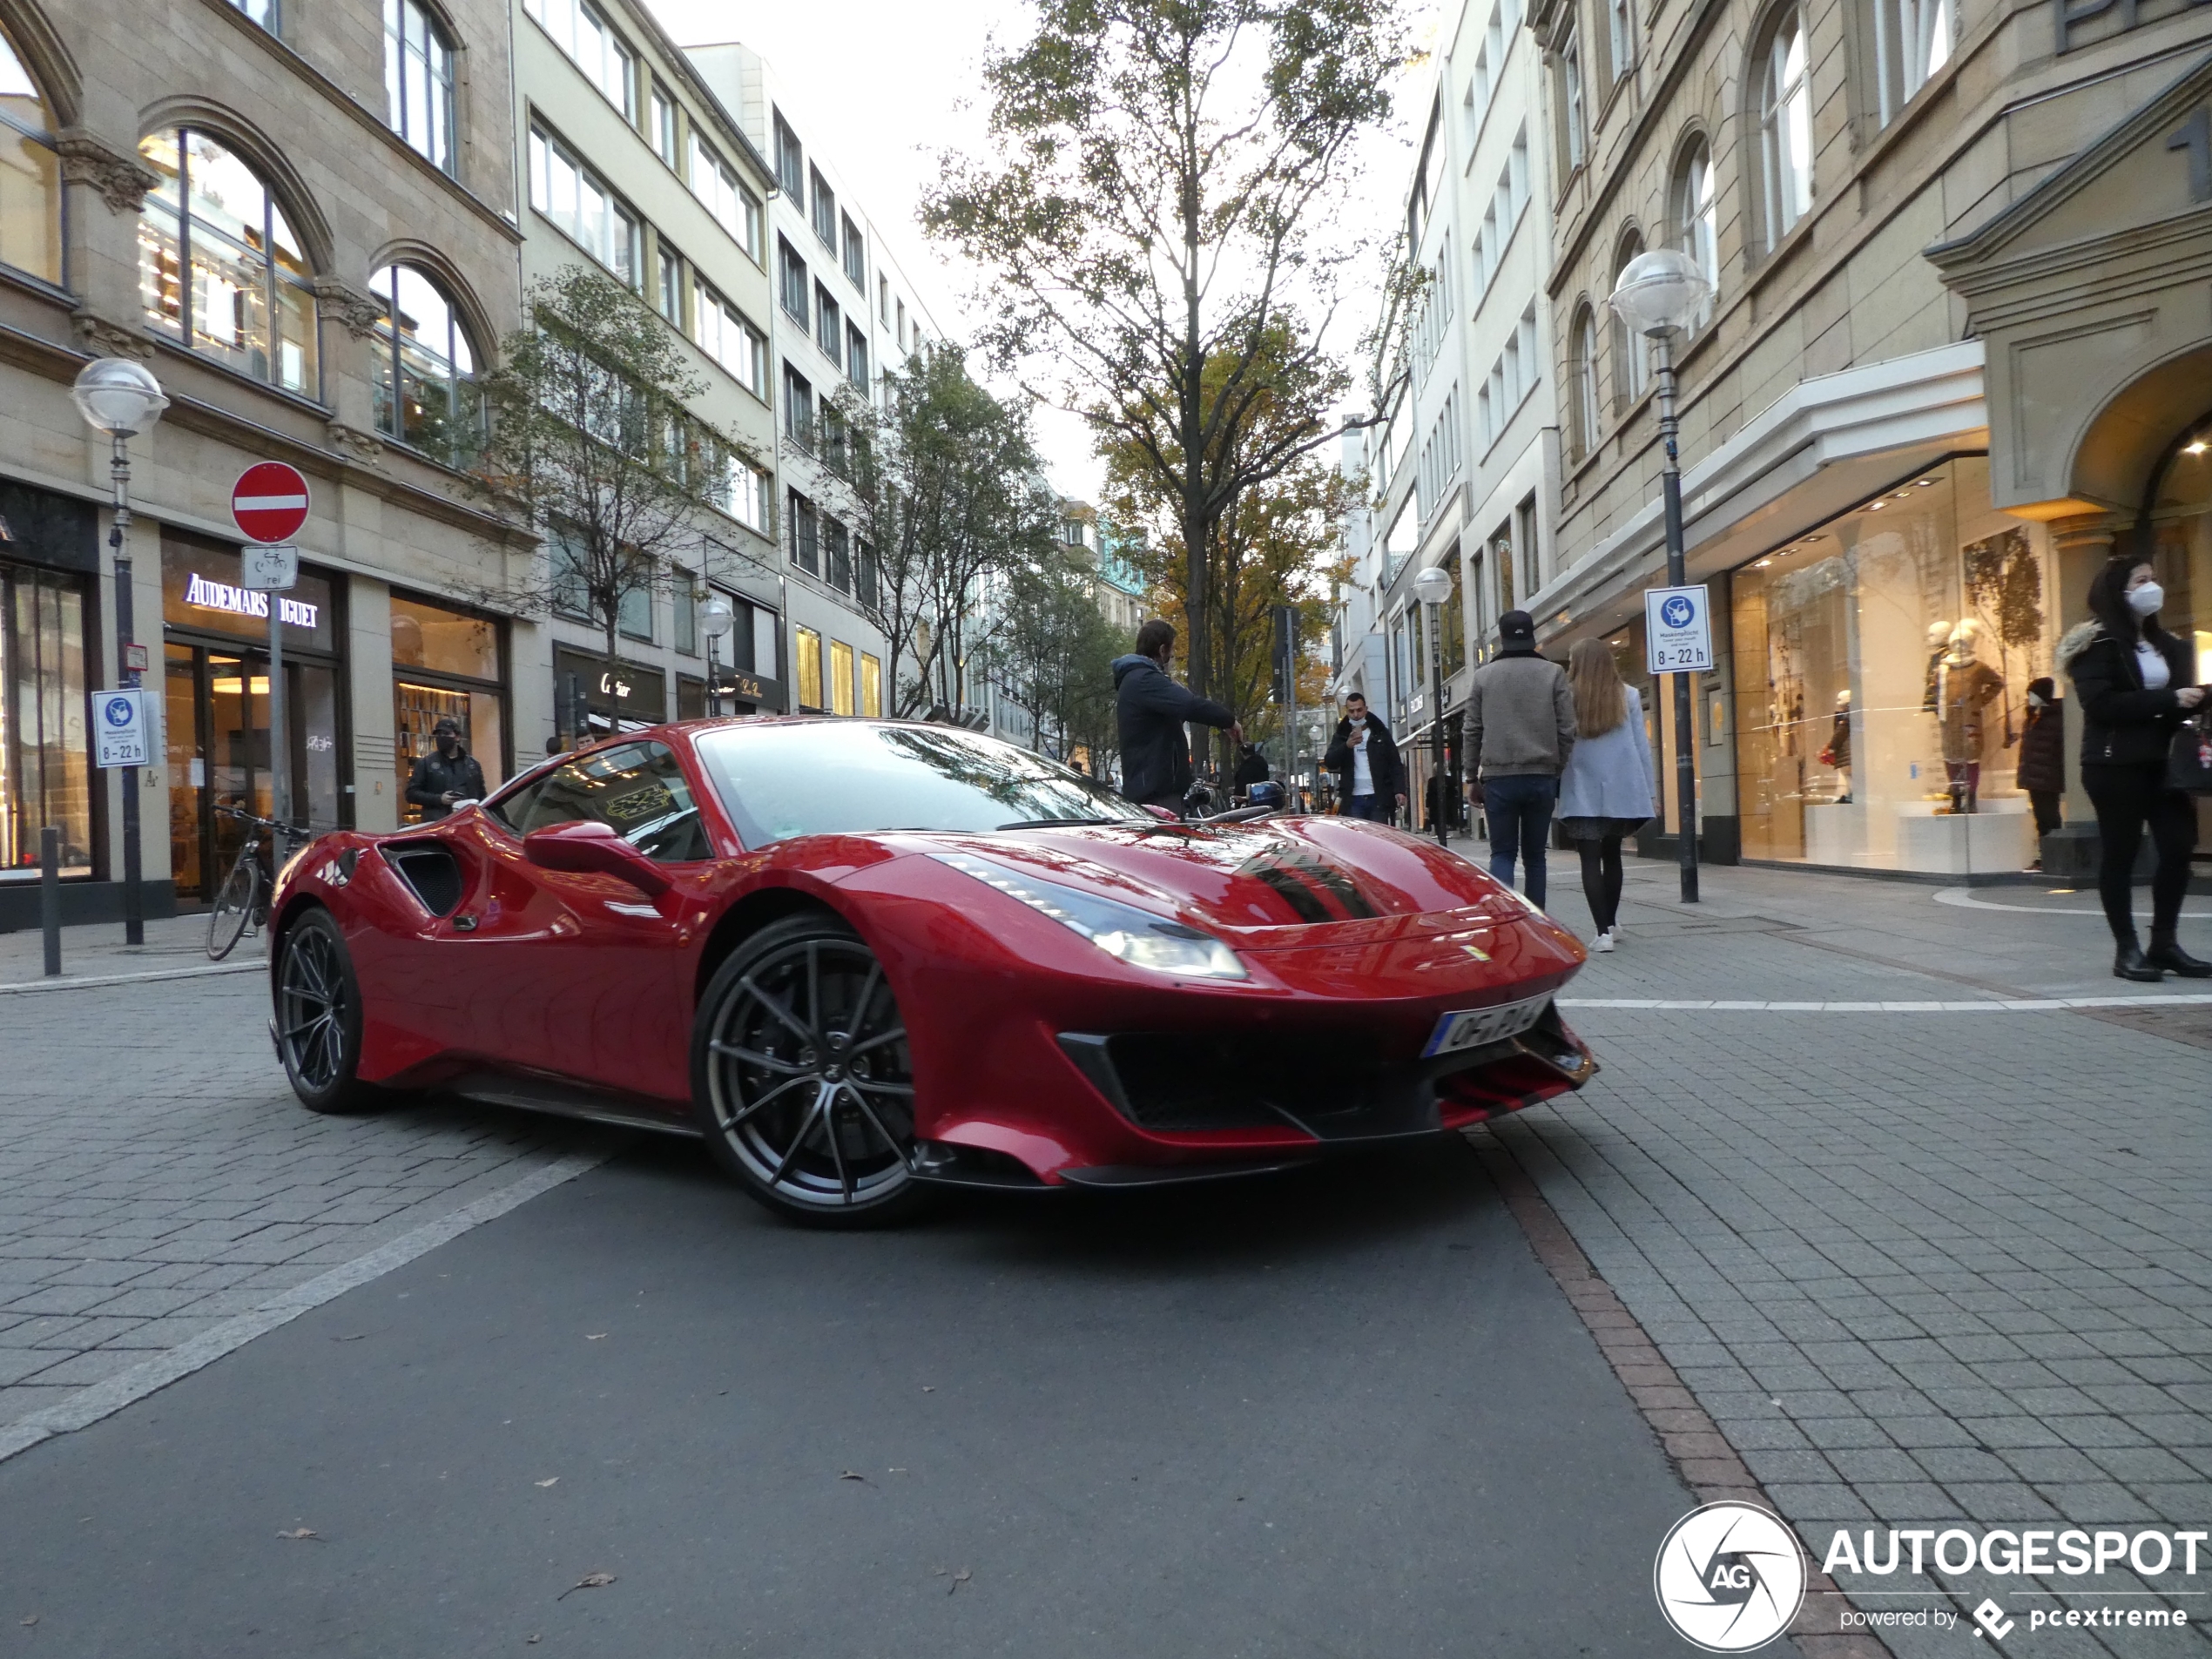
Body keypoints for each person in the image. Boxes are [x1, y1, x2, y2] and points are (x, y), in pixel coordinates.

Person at [2058, 556, 2208, 980]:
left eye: (2155, 579)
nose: (2153, 587)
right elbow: (2101, 705)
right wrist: (2170, 699)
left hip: (2166, 764)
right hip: (2114, 763)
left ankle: (2164, 944)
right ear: (2118, 591)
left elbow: (2180, 698)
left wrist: (2198, 696)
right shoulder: (2096, 643)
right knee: (2121, 855)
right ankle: (2127, 950)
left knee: (2178, 848)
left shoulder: (2170, 644)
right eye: (2142, 580)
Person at [1460, 610, 1575, 908]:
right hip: (1541, 776)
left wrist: (1471, 776)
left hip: (1499, 778)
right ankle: (1537, 922)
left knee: (1502, 854)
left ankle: (1503, 919)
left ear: (1502, 637)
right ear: (1533, 635)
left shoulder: (1484, 677)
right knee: (1536, 855)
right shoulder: (1553, 673)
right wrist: (1556, 766)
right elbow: (1567, 728)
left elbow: (1471, 729)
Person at [1555, 640, 1655, 953]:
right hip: (1621, 791)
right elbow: (1641, 747)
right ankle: (1611, 923)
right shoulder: (1629, 695)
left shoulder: (1567, 697)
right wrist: (1649, 792)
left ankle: (1602, 934)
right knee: (1612, 856)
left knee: (1589, 860)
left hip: (1581, 789)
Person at [1111, 619, 1241, 813]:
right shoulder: (1144, 680)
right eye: (1171, 652)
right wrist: (1229, 721)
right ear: (1162, 650)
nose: (1173, 657)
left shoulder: (1139, 680)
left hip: (1153, 787)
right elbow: (1189, 705)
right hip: (1156, 793)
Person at [1323, 692, 1406, 823]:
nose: (1356, 715)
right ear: (1347, 711)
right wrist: (1347, 746)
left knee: (1377, 837)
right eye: (1352, 711)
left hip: (1378, 796)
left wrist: (1399, 790)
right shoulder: (1342, 734)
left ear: (1366, 709)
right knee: (1358, 838)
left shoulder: (1380, 733)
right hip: (1353, 798)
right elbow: (1330, 762)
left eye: (1359, 710)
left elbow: (1395, 763)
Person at [2014, 675, 2064, 867]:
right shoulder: (2033, 716)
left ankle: (2052, 857)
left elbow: (2058, 749)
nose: (2030, 698)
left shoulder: (2055, 718)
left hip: (2048, 777)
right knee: (2042, 819)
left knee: (2050, 818)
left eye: (2033, 694)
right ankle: (2045, 856)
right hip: (2035, 777)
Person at [406, 717, 487, 822]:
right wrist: (439, 799)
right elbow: (411, 794)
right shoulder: (426, 763)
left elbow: (482, 795)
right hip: (438, 824)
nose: (442, 737)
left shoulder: (472, 765)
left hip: (467, 822)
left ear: (457, 737)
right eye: (438, 735)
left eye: (446, 734)